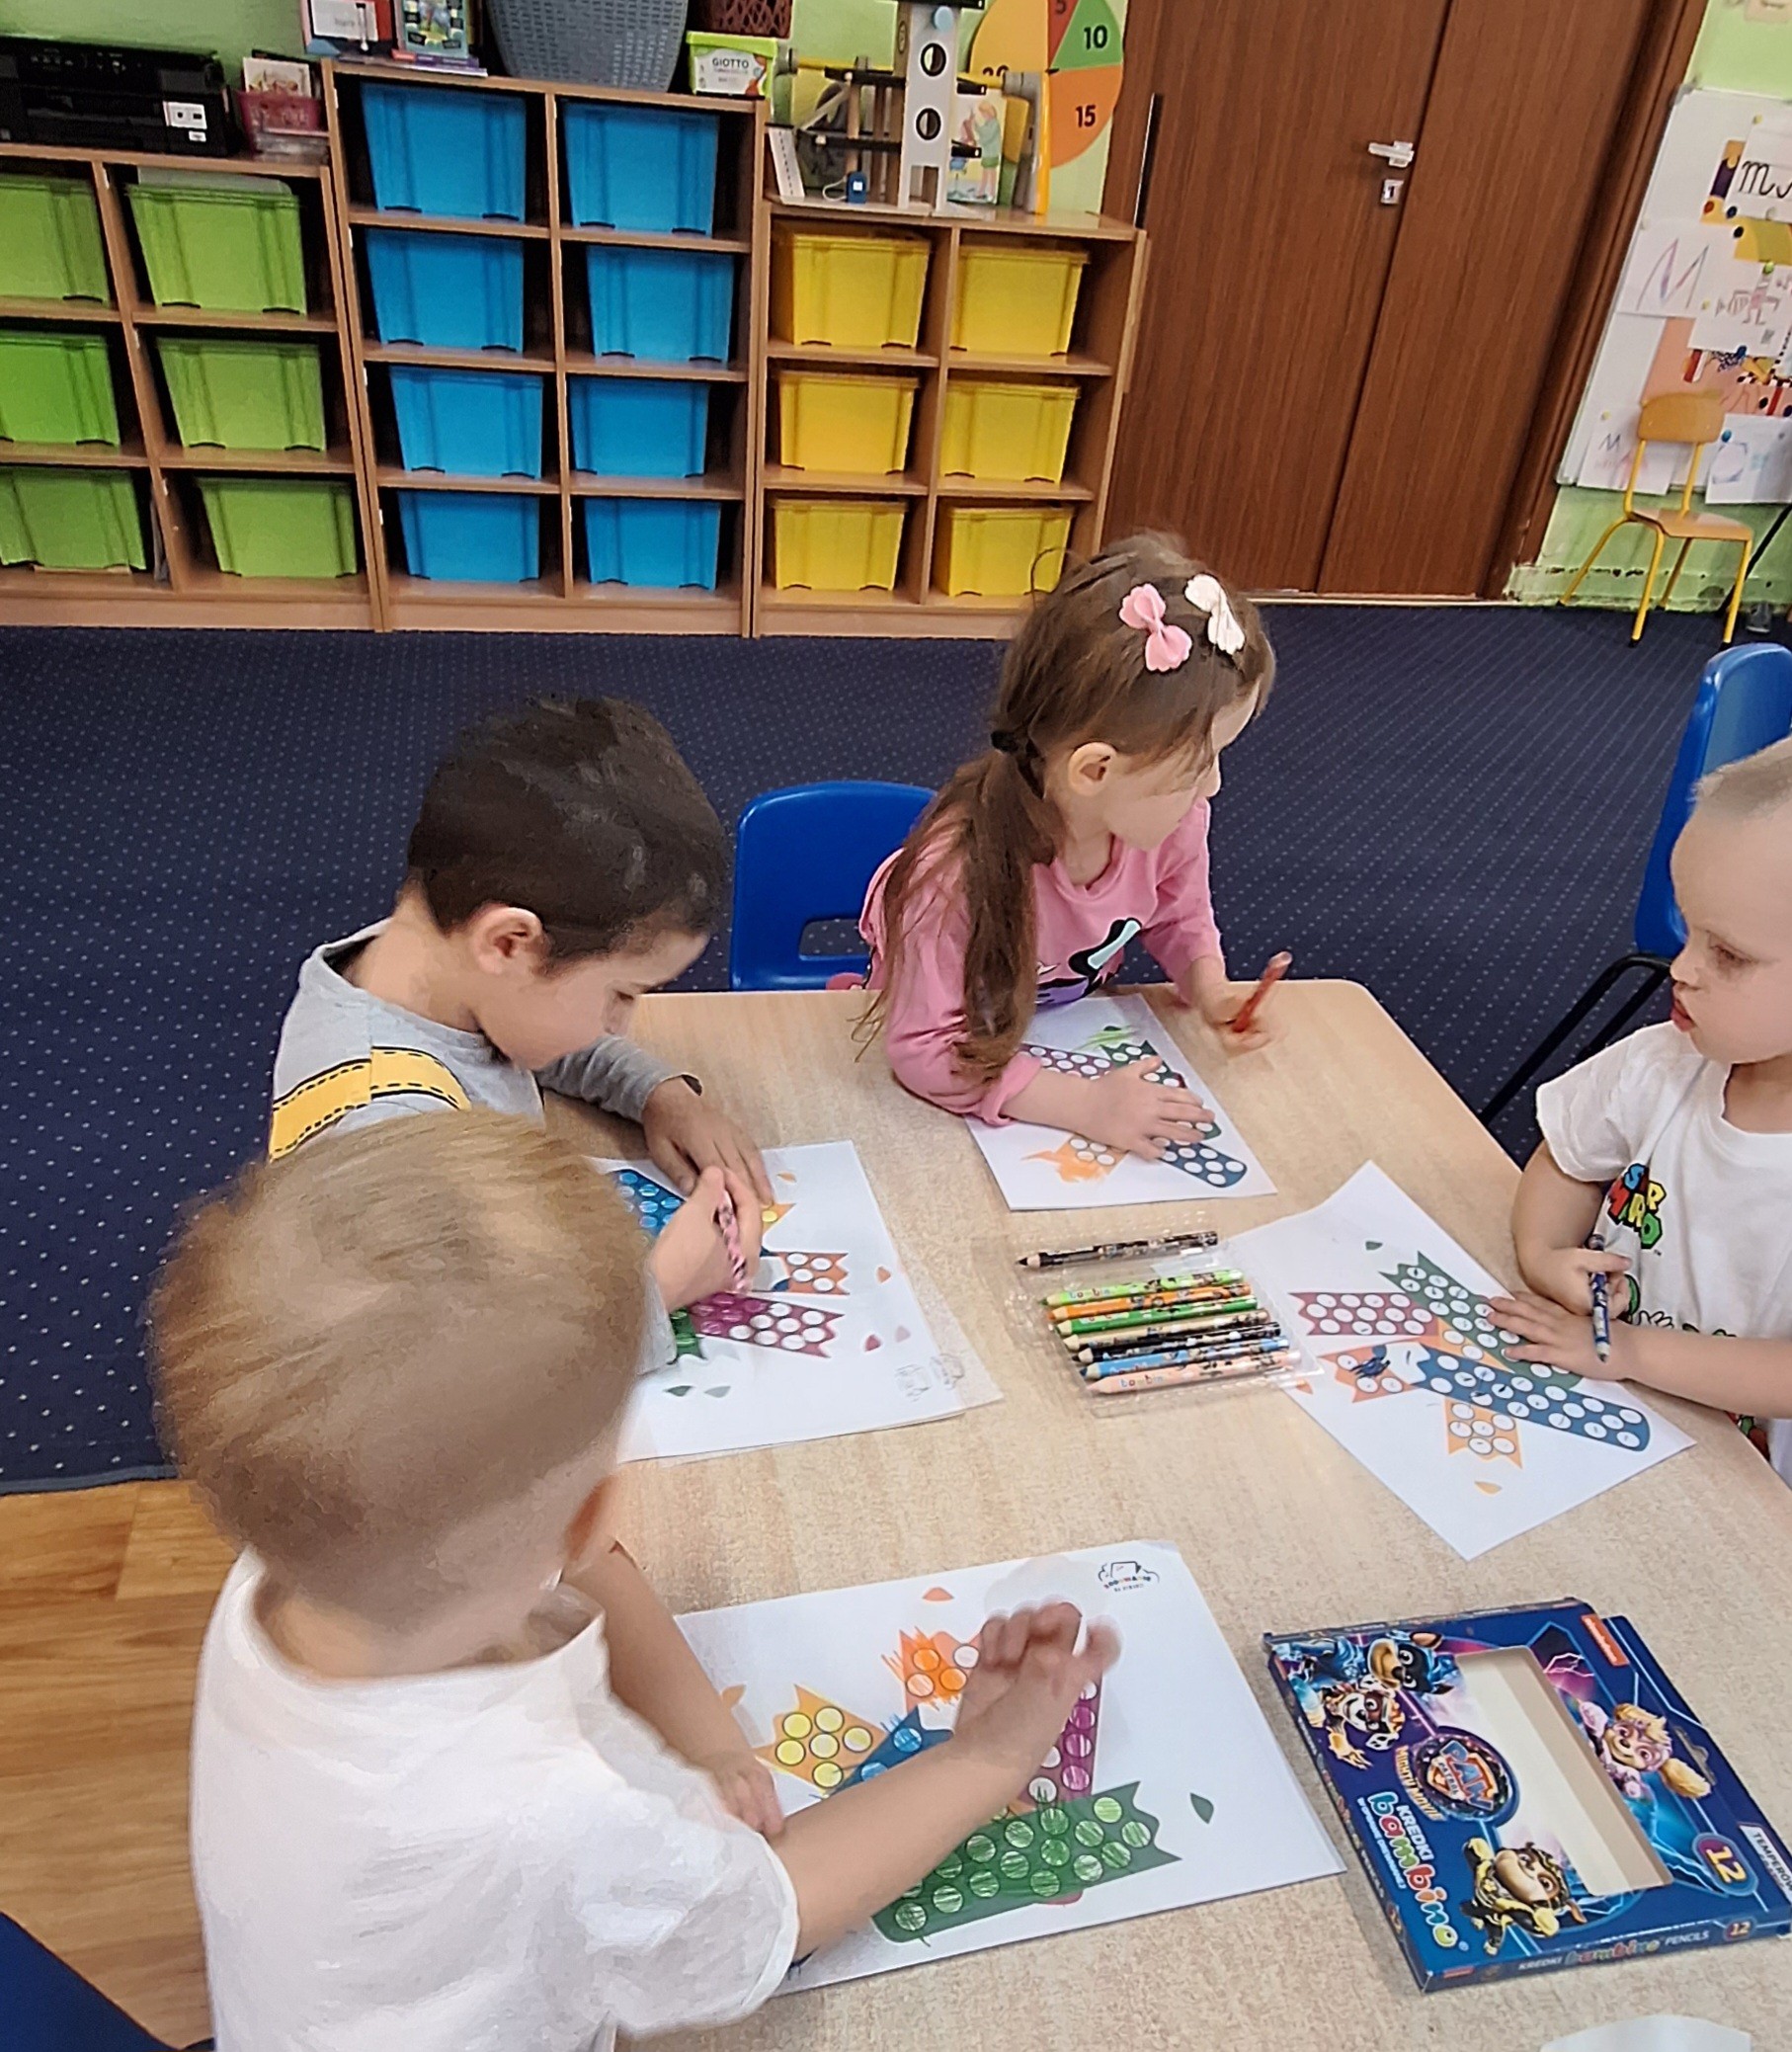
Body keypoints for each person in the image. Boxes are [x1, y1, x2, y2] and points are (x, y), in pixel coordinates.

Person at [153, 1113, 1116, 2051]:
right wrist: (986, 1758)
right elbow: (775, 1911)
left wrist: (713, 1753)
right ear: (590, 1513)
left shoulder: (298, 1565)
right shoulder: (554, 1809)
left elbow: (580, 1565)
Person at [266, 695, 767, 1309]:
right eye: (620, 994)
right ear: (508, 942)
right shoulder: (389, 1137)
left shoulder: (431, 966)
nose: (619, 1024)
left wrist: (658, 1096)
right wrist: (656, 1294)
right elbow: (454, 1358)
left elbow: (531, 1034)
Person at [859, 535, 1277, 1164]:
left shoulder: (1174, 825)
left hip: (1052, 1029)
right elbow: (922, 1049)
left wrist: (1211, 988)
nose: (1213, 786)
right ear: (1094, 770)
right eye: (1199, 765)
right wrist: (1085, 1106)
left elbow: (1180, 916)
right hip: (940, 1071)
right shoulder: (952, 875)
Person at [1492, 736, 1792, 1482]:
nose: (1681, 969)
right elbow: (1568, 1160)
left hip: (1744, 1487)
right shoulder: (1664, 1062)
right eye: (1689, 929)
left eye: (1728, 954)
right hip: (1618, 1416)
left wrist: (1631, 1351)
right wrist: (1545, 1253)